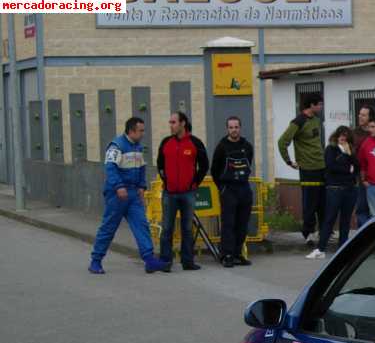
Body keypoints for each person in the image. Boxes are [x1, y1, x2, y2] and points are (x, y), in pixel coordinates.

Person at [89, 117, 169, 275]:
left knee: (141, 225)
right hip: (117, 194)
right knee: (109, 227)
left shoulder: (138, 147)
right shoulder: (116, 146)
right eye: (141, 130)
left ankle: (149, 259)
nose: (143, 133)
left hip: (133, 194)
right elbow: (110, 168)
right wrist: (119, 186)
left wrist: (141, 186)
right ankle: (96, 261)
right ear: (131, 131)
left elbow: (141, 168)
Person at [156, 111, 209, 271]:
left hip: (188, 193)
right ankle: (165, 262)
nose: (171, 125)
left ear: (183, 123)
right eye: (170, 122)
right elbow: (160, 165)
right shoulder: (166, 142)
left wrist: (194, 183)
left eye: (173, 122)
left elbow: (204, 165)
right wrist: (166, 181)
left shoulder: (195, 143)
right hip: (170, 193)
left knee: (187, 228)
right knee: (166, 228)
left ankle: (188, 261)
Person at [278, 94, 326, 245]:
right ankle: (308, 233)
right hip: (308, 168)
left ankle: (323, 232)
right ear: (311, 105)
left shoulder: (317, 120)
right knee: (310, 203)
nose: (321, 107)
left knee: (323, 202)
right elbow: (282, 141)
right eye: (319, 104)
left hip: (322, 166)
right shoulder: (298, 121)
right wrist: (288, 161)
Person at [308, 126, 360, 260]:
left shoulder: (351, 150)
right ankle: (320, 249)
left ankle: (343, 247)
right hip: (334, 189)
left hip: (350, 189)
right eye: (341, 135)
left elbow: (357, 167)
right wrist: (348, 166)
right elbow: (331, 167)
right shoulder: (331, 149)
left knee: (345, 220)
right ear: (336, 136)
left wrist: (349, 156)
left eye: (346, 136)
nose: (343, 138)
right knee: (329, 219)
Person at [211, 116, 255, 268]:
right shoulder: (222, 146)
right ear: (227, 129)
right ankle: (227, 255)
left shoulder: (247, 146)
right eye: (231, 127)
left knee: (242, 223)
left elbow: (249, 163)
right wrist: (222, 188)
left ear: (240, 128)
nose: (234, 130)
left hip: (244, 188)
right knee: (228, 224)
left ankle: (237, 254)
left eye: (236, 127)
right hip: (228, 189)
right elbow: (214, 170)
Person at [352, 105, 375, 228]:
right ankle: (363, 234)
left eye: (363, 115)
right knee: (361, 207)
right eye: (359, 114)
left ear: (370, 117)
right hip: (360, 176)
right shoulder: (354, 133)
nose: (360, 116)